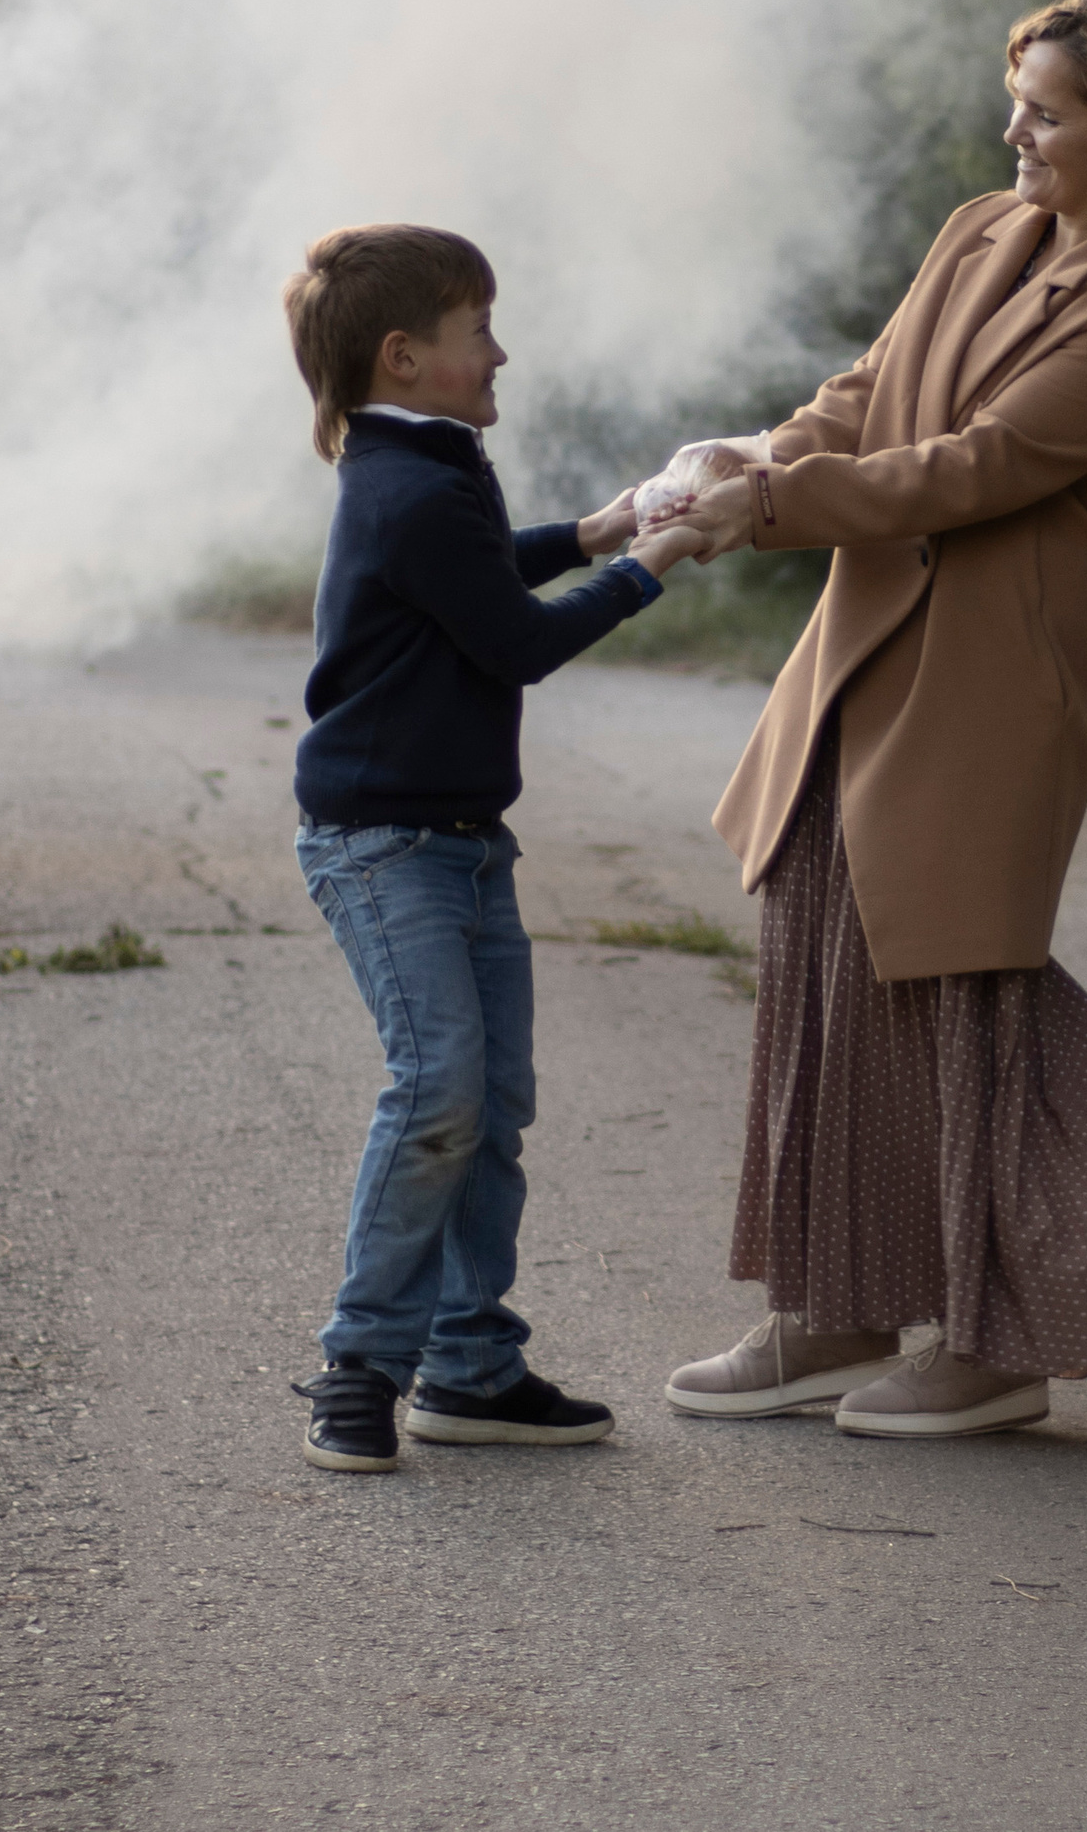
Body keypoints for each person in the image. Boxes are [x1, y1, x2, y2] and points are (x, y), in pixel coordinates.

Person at [657, 0, 1087, 1440]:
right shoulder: (978, 229)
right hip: (864, 649)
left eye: (1048, 109)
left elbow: (975, 467)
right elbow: (869, 398)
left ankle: (993, 1341)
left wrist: (765, 507)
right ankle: (831, 1310)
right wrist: (747, 454)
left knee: (957, 998)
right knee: (826, 967)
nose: (1014, 127)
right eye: (1017, 96)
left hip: (991, 684)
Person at [279, 223, 706, 1474]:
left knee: (492, 1103)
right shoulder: (406, 483)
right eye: (480, 333)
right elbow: (511, 641)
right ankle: (360, 1368)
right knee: (438, 1091)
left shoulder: (429, 459)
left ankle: (469, 1367)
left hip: (459, 839)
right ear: (405, 355)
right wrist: (646, 565)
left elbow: (475, 576)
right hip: (382, 841)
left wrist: (591, 529)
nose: (501, 351)